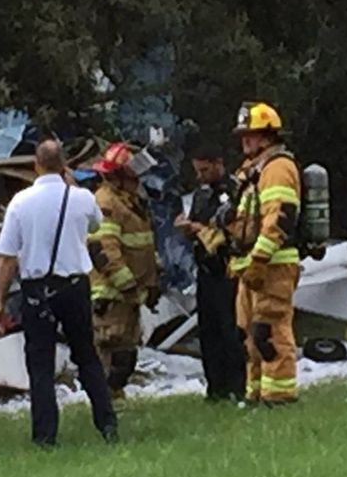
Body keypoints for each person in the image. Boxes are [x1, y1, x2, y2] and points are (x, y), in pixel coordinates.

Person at [0, 140, 118, 448]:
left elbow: (7, 258)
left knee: (40, 364)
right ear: (64, 165)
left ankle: (45, 436)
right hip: (75, 286)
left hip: (37, 292)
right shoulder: (82, 198)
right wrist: (72, 184)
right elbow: (94, 225)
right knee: (87, 356)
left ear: (35, 165)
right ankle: (107, 424)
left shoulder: (20, 202)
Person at [226, 102, 302, 406]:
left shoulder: (278, 168)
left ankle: (280, 396)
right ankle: (256, 394)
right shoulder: (252, 171)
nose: (246, 140)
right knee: (250, 335)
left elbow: (279, 219)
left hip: (272, 265)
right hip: (251, 267)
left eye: (252, 134)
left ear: (268, 136)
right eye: (243, 134)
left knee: (269, 333)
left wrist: (259, 259)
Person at [86, 142, 160, 401]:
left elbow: (141, 246)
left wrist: (150, 284)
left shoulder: (127, 202)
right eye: (133, 176)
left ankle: (113, 398)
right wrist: (127, 284)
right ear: (118, 177)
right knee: (113, 353)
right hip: (113, 294)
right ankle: (105, 403)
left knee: (126, 354)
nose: (138, 181)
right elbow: (104, 250)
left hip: (128, 294)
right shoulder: (106, 202)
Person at [174, 142, 247, 402]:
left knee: (231, 330)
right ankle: (215, 387)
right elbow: (198, 222)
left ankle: (237, 385)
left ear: (218, 164)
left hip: (228, 268)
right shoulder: (201, 195)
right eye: (197, 171)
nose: (200, 177)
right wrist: (187, 227)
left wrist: (197, 229)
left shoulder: (237, 190)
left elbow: (234, 230)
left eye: (205, 170)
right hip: (205, 269)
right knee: (209, 331)